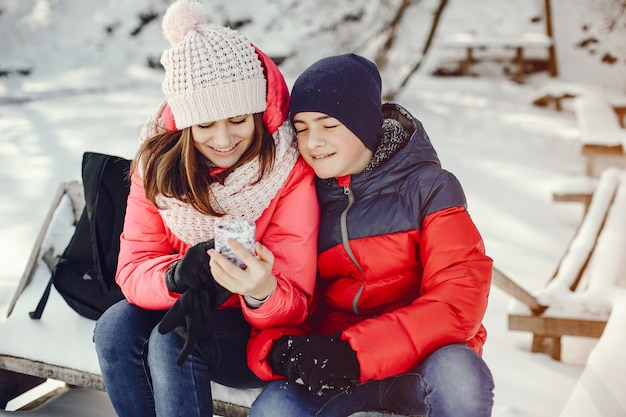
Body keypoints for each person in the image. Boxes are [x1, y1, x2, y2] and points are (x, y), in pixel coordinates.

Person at [93, 1, 319, 416]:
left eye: (237, 119)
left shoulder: (287, 169)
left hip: (254, 327)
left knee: (173, 337)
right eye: (205, 124)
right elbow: (132, 269)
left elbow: (297, 302)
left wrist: (260, 288)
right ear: (184, 125)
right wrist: (176, 275)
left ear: (257, 114)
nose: (223, 138)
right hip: (180, 303)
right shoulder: (158, 168)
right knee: (114, 329)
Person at [247, 54, 495, 417]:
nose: (313, 142)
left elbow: (457, 301)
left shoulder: (429, 189)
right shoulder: (300, 198)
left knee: (461, 375)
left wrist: (355, 352)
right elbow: (289, 299)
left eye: (328, 125)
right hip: (336, 369)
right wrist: (281, 349)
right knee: (276, 408)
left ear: (364, 124)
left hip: (423, 365)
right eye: (301, 128)